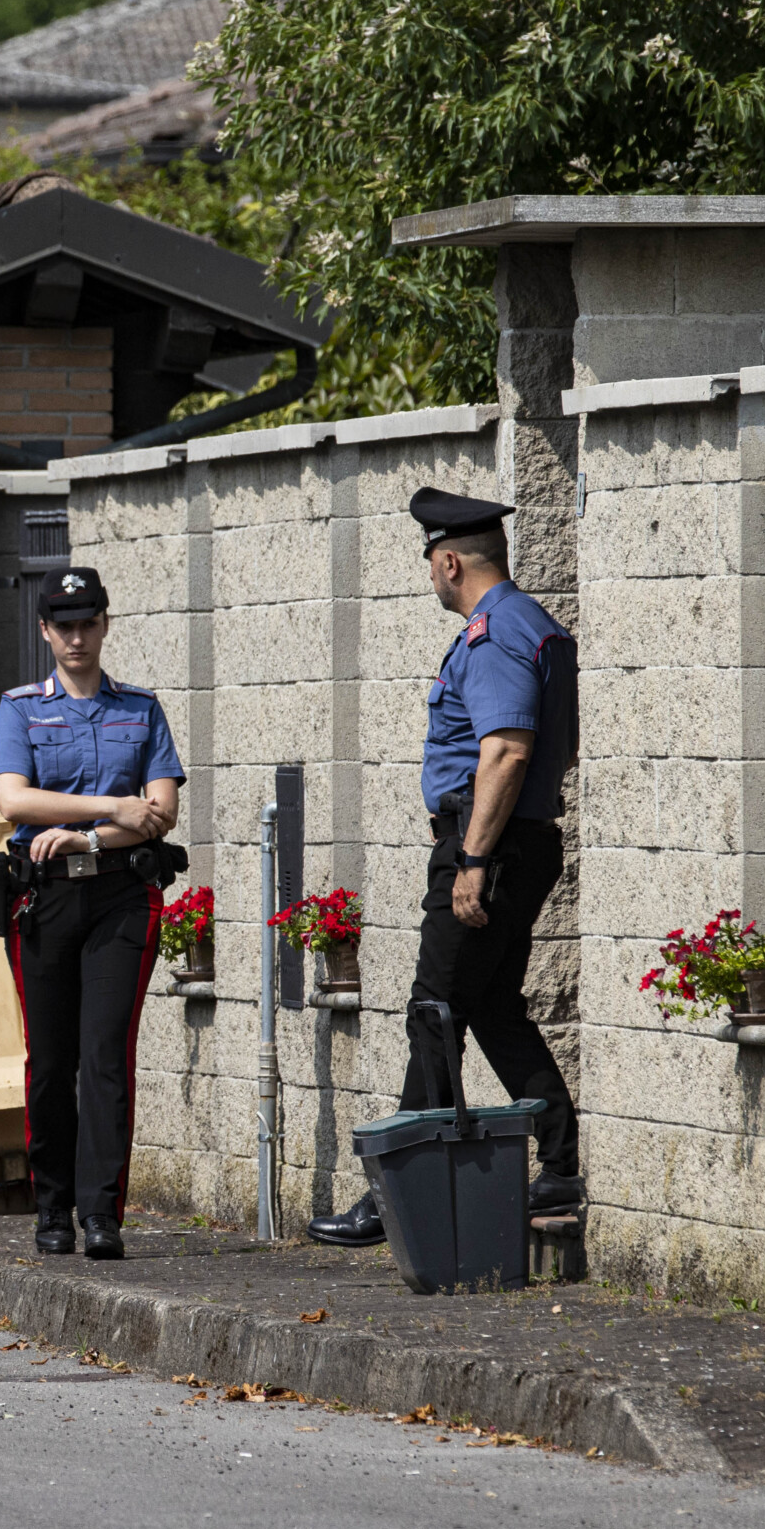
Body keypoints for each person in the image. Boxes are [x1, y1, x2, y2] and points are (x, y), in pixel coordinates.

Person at [309, 488, 582, 1248]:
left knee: (435, 1009)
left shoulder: (494, 634)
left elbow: (508, 750)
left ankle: (399, 1191)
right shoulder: (536, 626)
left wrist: (472, 859)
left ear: (451, 562)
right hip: (519, 842)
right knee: (490, 1006)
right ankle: (559, 1164)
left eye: (431, 561)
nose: (430, 573)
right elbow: (557, 748)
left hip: (487, 845)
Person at [0, 566, 185, 1260]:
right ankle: (52, 1206)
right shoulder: (21, 708)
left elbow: (161, 812)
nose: (77, 637)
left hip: (118, 895)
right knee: (51, 1060)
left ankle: (102, 1212)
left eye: (88, 623)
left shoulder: (142, 709)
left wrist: (88, 837)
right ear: (46, 630)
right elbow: (14, 800)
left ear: (105, 624)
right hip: (43, 898)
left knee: (106, 1056)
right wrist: (111, 808)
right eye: (64, 626)